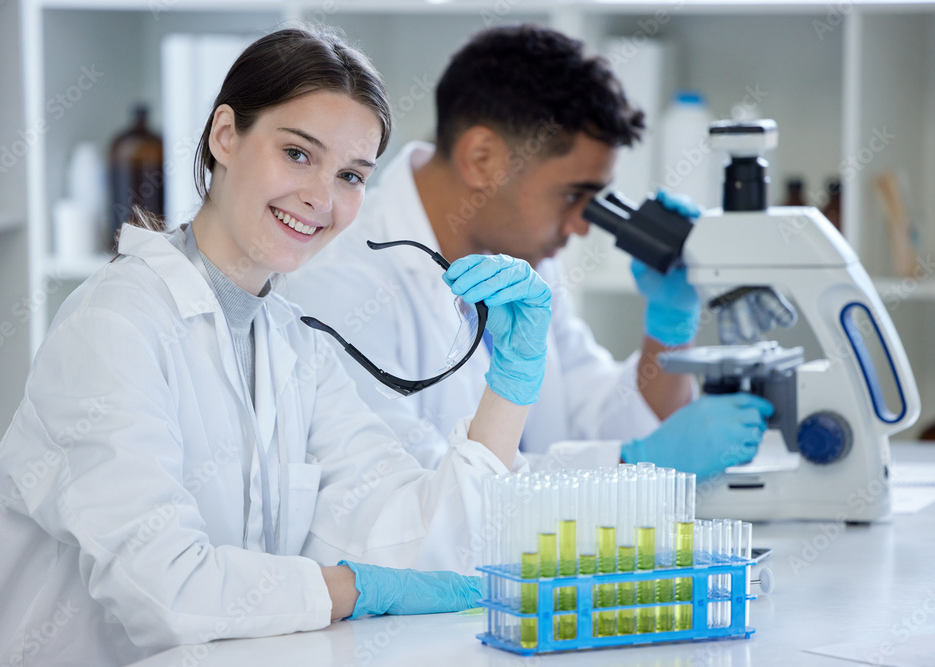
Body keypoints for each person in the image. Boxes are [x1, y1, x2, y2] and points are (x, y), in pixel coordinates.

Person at [0, 27, 552, 667]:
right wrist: (354, 589)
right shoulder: (114, 327)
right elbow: (166, 593)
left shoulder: (296, 348)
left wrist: (511, 384)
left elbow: (418, 541)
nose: (322, 198)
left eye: (351, 175)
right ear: (224, 136)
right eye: (298, 154)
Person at [285, 24, 774, 480]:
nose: (583, 225)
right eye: (572, 196)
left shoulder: (521, 262)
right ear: (482, 159)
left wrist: (668, 327)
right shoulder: (342, 281)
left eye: (595, 202)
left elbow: (604, 418)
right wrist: (630, 463)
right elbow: (421, 501)